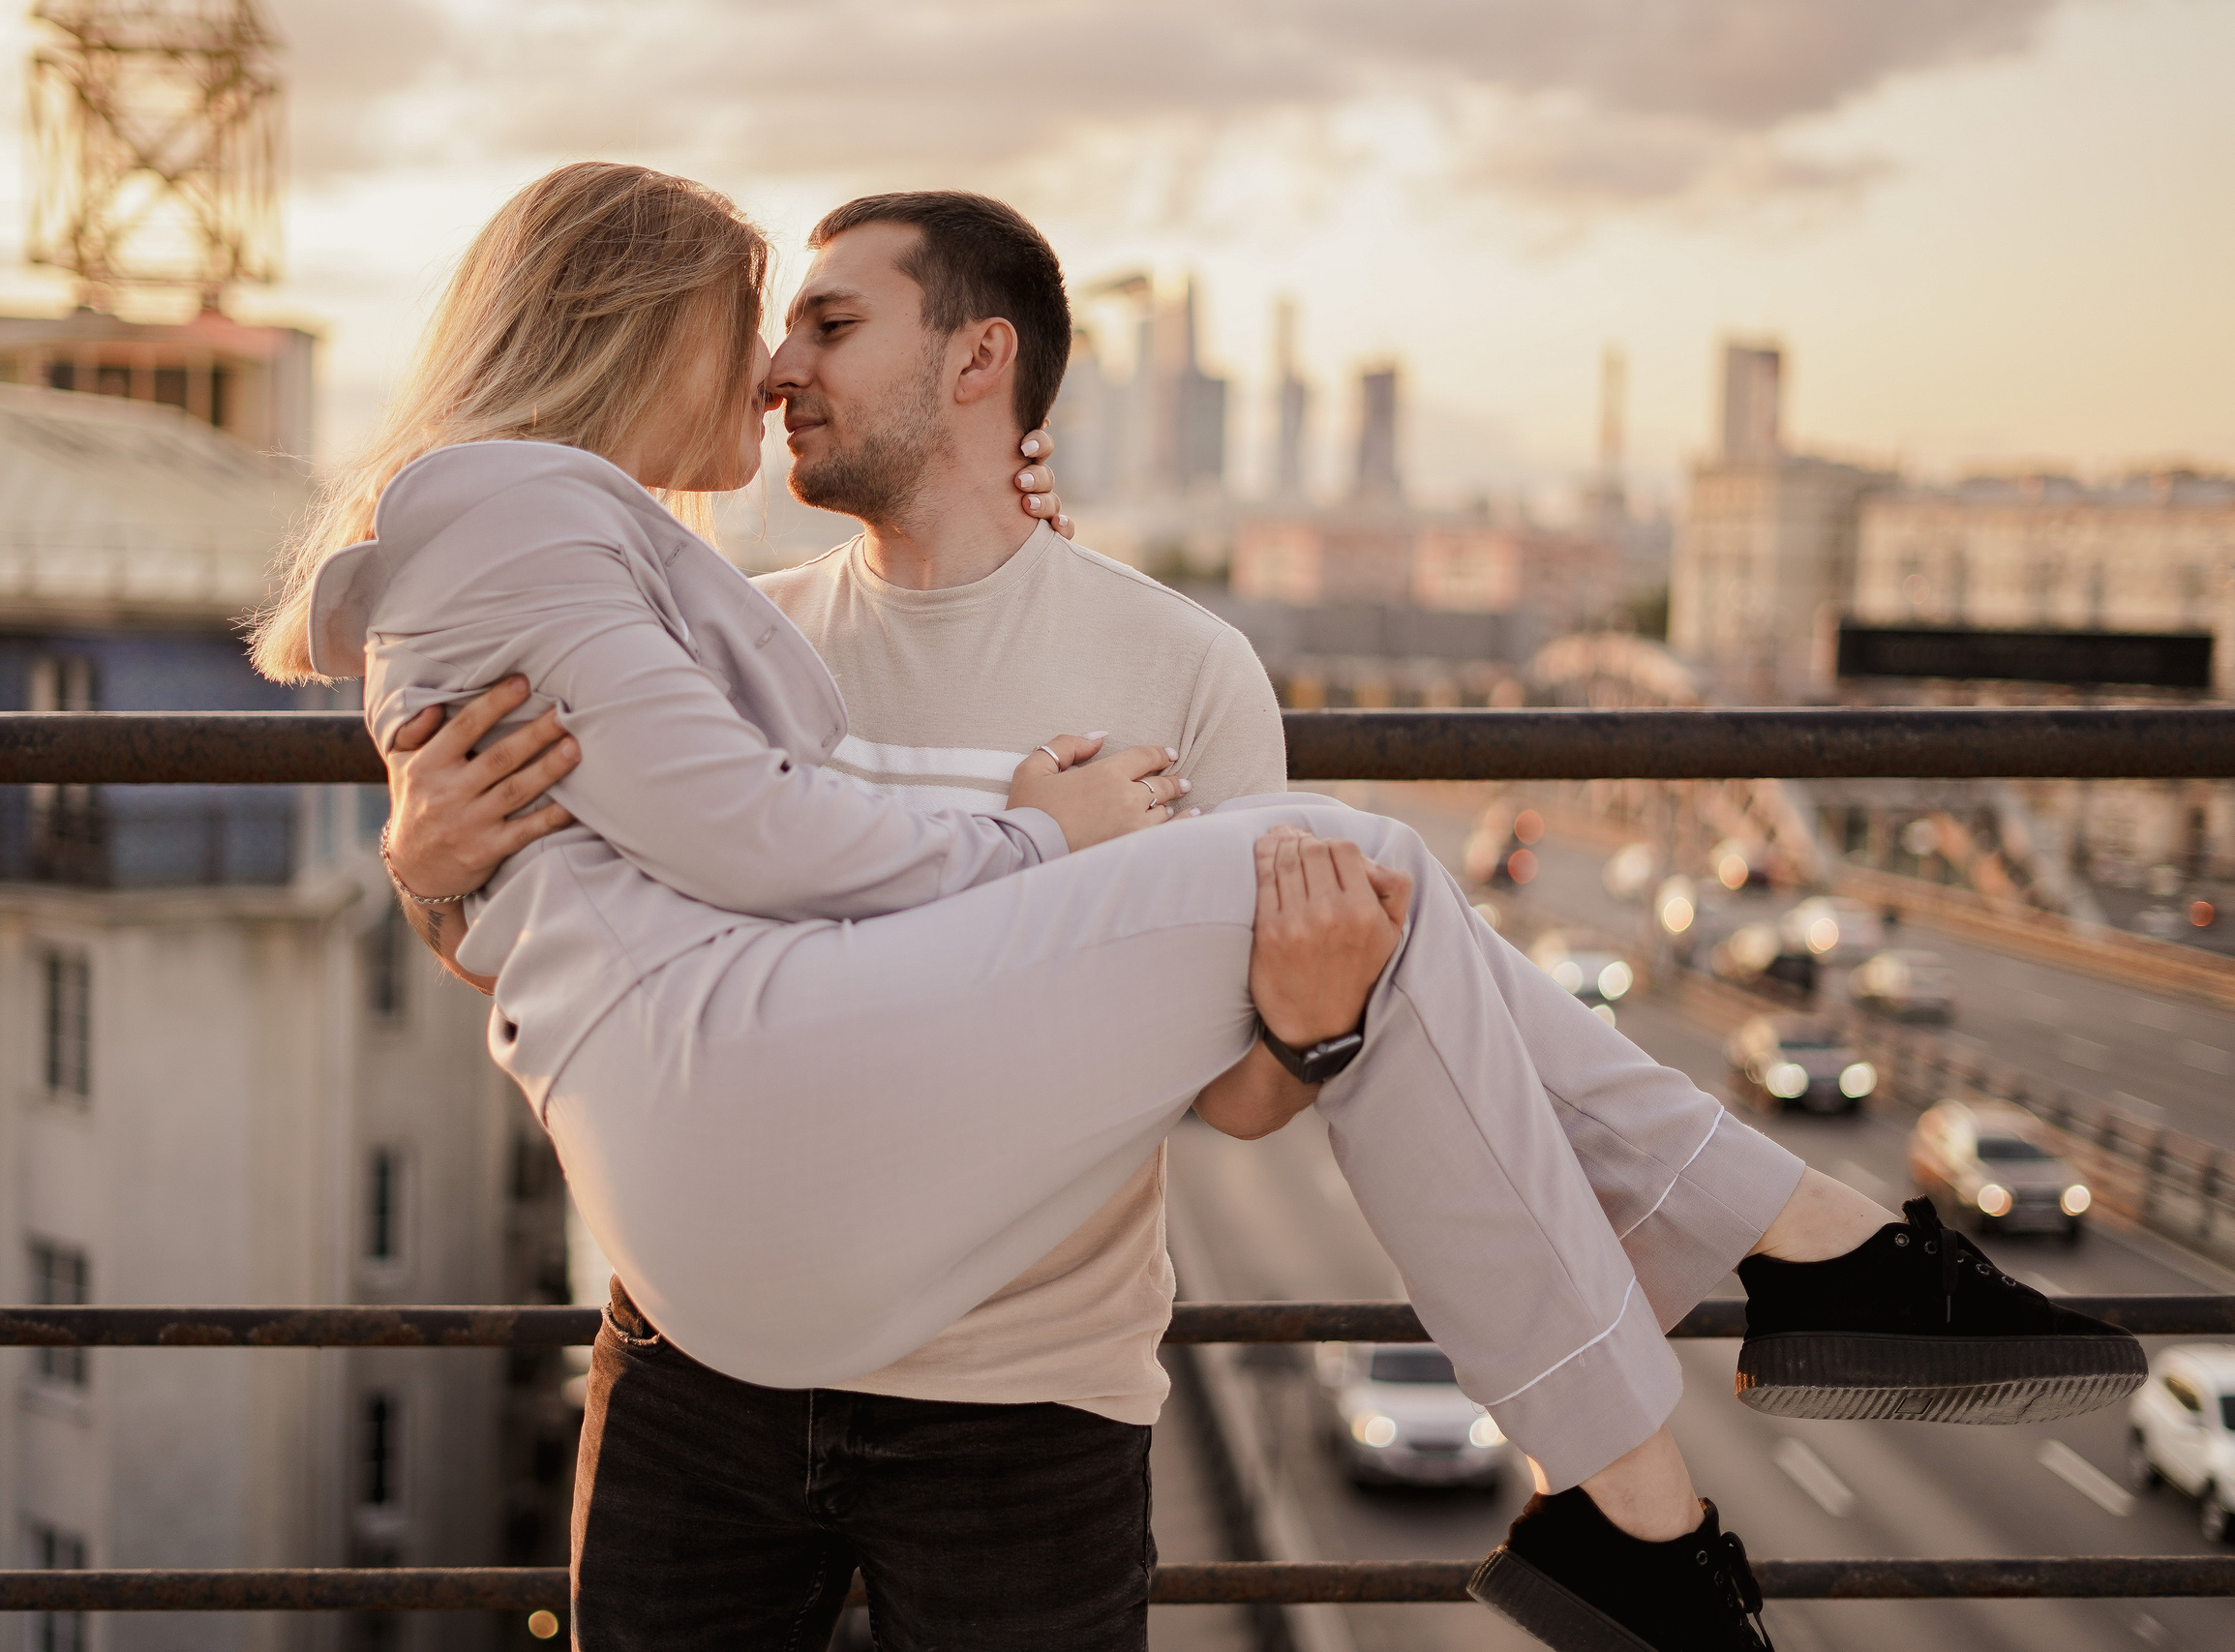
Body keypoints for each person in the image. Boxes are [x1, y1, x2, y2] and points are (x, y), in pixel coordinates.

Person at [251, 163, 2141, 1652]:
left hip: (1016, 1396)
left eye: (824, 322)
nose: (772, 370)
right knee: (1361, 855)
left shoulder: (1163, 656)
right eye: (760, 324)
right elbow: (698, 864)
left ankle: (1724, 1371)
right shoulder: (715, 601)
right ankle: (1770, 1302)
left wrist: (1308, 1012)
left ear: (976, 358)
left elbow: (1242, 1096)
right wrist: (1036, 832)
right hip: (704, 1354)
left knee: (1354, 886)